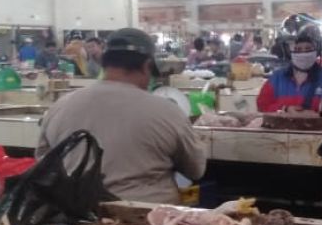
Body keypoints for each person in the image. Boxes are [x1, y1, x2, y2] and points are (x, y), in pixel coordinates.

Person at [37, 28, 206, 204]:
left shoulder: (60, 107)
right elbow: (195, 170)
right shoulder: (167, 111)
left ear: (104, 63)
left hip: (74, 218)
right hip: (148, 220)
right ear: (146, 66)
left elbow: (43, 163)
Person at [257, 29, 322, 113]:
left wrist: (318, 115)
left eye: (308, 49)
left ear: (316, 52)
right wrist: (284, 109)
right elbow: (262, 107)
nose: (303, 53)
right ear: (289, 53)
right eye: (298, 49)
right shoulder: (276, 78)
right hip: (281, 125)